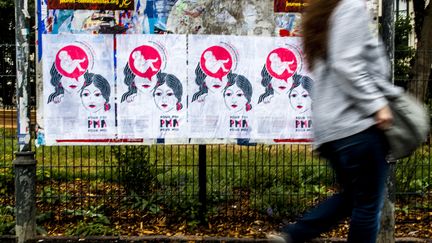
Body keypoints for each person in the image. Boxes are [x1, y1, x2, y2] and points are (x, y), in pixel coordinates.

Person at [268, 0, 401, 242]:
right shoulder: (350, 8)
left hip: (331, 128)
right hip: (357, 123)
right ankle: (294, 235)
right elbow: (347, 64)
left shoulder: (324, 16)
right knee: (368, 206)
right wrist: (377, 105)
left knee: (354, 197)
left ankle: (294, 235)